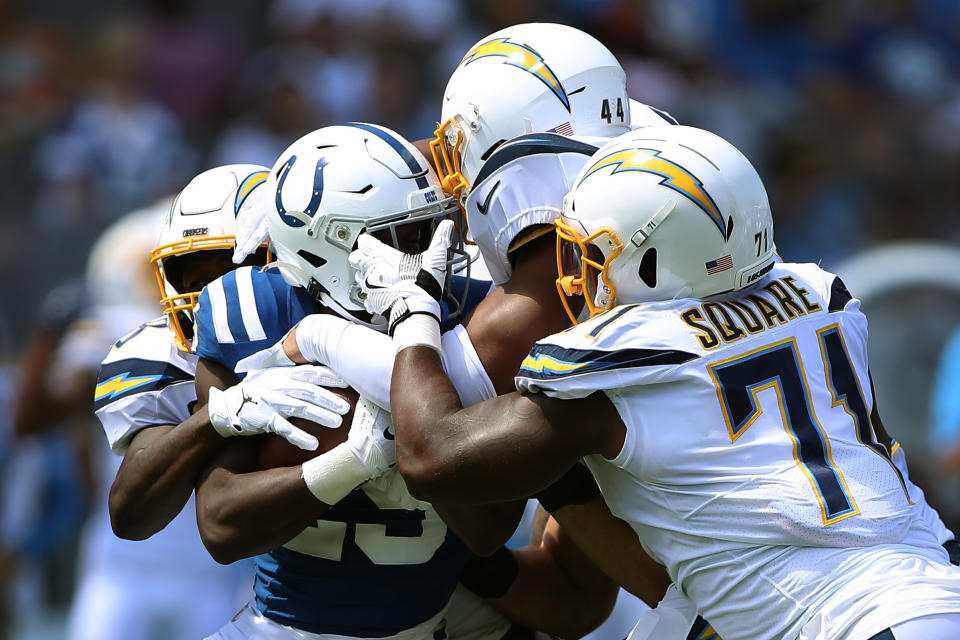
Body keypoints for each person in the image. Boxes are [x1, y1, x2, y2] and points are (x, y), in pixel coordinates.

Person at [353, 124, 960, 640]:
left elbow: (433, 455)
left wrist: (413, 311)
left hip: (857, 622)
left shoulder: (624, 371)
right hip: (930, 582)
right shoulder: (821, 300)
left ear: (647, 260)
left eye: (588, 250)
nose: (576, 270)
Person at [248, 21, 683, 635]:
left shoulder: (537, 303)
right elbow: (574, 596)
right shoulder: (688, 220)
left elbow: (432, 449)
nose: (453, 183)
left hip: (755, 595)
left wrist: (323, 336)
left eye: (457, 152)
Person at [191, 123, 548, 640]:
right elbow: (221, 523)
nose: (435, 255)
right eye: (410, 235)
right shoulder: (252, 310)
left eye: (435, 227)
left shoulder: (472, 311)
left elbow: (489, 529)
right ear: (328, 249)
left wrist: (379, 342)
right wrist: (352, 460)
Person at [89, 166, 350, 640]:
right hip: (186, 573)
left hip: (279, 586)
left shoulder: (338, 331)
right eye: (191, 274)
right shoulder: (161, 354)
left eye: (226, 272)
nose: (206, 297)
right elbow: (130, 513)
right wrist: (219, 416)